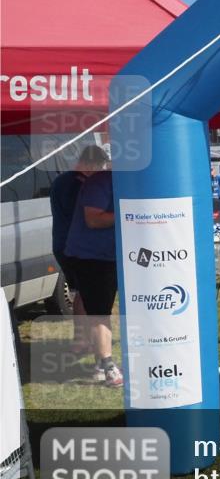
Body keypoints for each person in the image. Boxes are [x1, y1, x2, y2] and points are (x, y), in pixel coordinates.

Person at [63, 166, 122, 387]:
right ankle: (107, 366)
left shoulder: (128, 181)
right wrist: (130, 212)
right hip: (89, 257)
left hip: (111, 256)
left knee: (101, 308)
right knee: (99, 311)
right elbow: (93, 219)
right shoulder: (100, 182)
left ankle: (100, 362)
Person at [49, 145, 109, 352]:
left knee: (81, 292)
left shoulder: (61, 180)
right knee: (87, 295)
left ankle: (81, 340)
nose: (100, 172)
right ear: (89, 164)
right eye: (99, 167)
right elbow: (89, 215)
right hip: (75, 247)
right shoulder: (78, 184)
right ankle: (84, 340)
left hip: (62, 244)